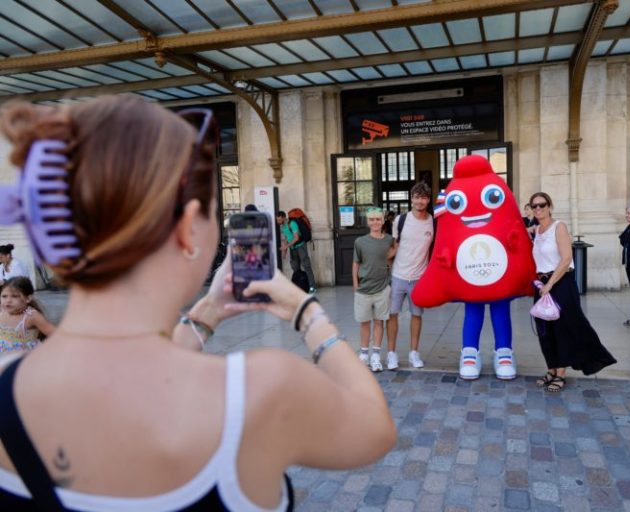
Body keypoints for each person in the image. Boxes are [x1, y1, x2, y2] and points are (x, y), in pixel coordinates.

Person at [0, 96, 395, 511]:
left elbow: (136, 377)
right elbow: (375, 429)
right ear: (188, 230)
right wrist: (307, 313)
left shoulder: (7, 381)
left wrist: (207, 313)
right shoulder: (260, 391)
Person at [530, 192, 616, 392]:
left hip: (560, 284)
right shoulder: (537, 230)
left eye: (542, 205)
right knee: (545, 331)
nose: (538, 209)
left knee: (563, 329)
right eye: (534, 206)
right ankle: (551, 369)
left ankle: (560, 373)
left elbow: (566, 258)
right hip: (542, 285)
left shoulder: (558, 227)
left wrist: (550, 284)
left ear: (550, 206)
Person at [386, 182, 433, 370]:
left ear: (428, 200)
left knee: (416, 315)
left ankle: (414, 353)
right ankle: (391, 353)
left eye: (423, 197)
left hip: (419, 278)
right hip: (398, 275)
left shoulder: (433, 221)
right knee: (392, 315)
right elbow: (394, 245)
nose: (419, 201)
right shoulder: (400, 220)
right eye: (416, 197)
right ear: (411, 198)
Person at [353, 208, 396, 372]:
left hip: (382, 288)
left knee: (379, 322)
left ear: (383, 221)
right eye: (372, 220)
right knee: (364, 323)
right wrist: (355, 284)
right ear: (368, 222)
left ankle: (376, 354)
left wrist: (388, 259)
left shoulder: (389, 240)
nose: (375, 222)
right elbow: (356, 263)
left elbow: (394, 248)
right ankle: (364, 353)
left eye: (378, 219)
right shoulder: (360, 241)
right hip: (364, 288)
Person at [0, 276, 55, 353]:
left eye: (15, 296)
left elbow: (55, 334)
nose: (8, 300)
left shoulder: (31, 316)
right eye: (4, 296)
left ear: (28, 299)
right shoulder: (1, 311)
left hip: (23, 359)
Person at [277, 210, 317, 294]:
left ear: (284, 217)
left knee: (306, 266)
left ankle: (312, 286)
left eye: (280, 220)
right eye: (277, 220)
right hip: (293, 248)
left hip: (300, 246)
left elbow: (296, 238)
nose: (278, 222)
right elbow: (286, 238)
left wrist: (285, 247)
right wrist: (285, 250)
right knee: (295, 268)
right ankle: (299, 286)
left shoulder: (292, 224)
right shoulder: (283, 226)